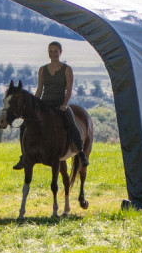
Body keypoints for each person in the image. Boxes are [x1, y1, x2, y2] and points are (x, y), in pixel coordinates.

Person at [13, 41, 87, 169]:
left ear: (60, 52)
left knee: (71, 122)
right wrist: (33, 105)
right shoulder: (42, 69)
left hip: (60, 104)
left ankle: (81, 153)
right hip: (44, 104)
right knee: (24, 125)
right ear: (48, 53)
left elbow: (69, 89)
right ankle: (24, 156)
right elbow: (40, 88)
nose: (53, 54)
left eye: (55, 51)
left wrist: (65, 104)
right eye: (51, 51)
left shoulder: (67, 69)